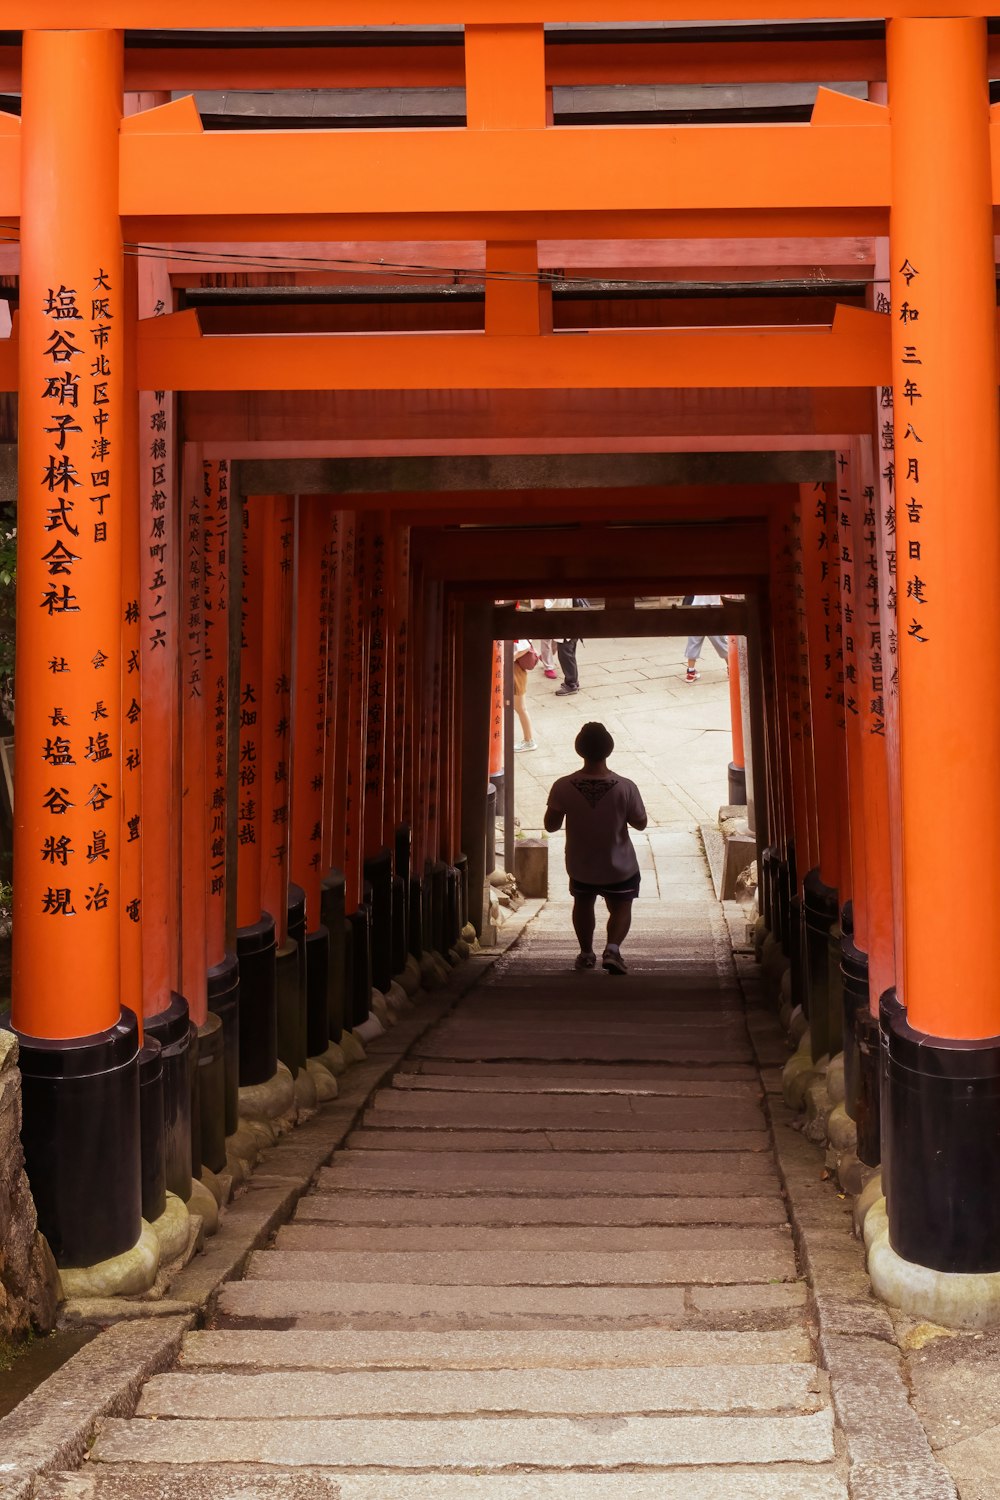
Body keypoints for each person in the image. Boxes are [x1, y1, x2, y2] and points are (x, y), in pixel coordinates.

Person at [544, 721, 647, 975]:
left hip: (581, 864)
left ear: (579, 749)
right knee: (622, 904)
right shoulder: (625, 786)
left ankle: (586, 952)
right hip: (619, 864)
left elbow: (551, 825)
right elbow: (641, 823)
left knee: (583, 902)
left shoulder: (563, 785)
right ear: (609, 750)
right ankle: (612, 949)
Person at [684, 594, 729, 683]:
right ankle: (731, 668)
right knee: (722, 643)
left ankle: (690, 672)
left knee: (693, 642)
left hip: (696, 609)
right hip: (714, 610)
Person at [512, 638, 537, 751]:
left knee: (520, 708)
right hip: (513, 670)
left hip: (515, 671)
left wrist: (511, 657)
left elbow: (526, 647)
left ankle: (529, 740)